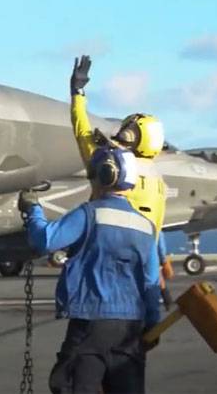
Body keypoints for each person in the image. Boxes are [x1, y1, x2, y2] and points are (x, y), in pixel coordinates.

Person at [19, 146, 161, 394]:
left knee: (69, 383)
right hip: (131, 327)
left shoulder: (89, 215)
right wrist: (153, 323)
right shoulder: (146, 226)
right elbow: (151, 282)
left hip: (91, 322)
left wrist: (33, 209)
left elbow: (45, 240)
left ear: (105, 175)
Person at [70, 55, 170, 309]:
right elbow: (156, 229)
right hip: (140, 267)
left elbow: (82, 130)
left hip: (101, 263)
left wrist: (77, 93)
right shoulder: (158, 180)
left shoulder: (112, 164)